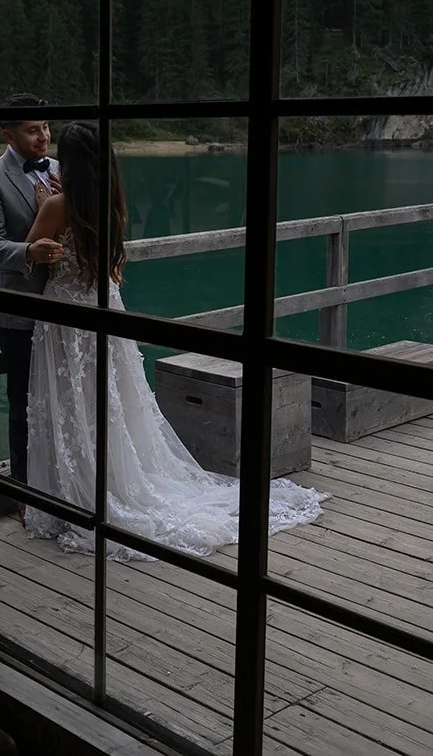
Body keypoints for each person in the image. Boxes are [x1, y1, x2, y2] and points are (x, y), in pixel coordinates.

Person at [22, 121, 328, 559]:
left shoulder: (56, 205)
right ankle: (113, 478)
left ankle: (76, 491)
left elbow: (32, 254)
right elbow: (107, 263)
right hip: (105, 306)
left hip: (66, 318)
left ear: (67, 164)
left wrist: (43, 208)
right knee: (112, 405)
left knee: (72, 402)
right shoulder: (112, 204)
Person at [0, 93, 63, 507]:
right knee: (22, 400)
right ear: (9, 134)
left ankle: (57, 482)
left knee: (57, 397)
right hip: (17, 304)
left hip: (61, 302)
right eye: (33, 130)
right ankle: (20, 491)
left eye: (46, 128)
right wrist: (29, 251)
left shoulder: (57, 170)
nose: (43, 138)